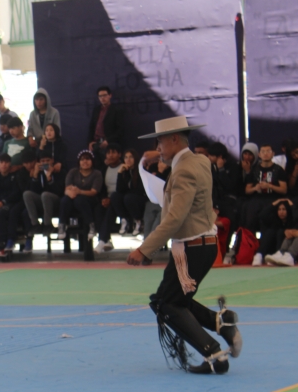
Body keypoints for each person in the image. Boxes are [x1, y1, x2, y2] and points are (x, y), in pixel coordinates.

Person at [127, 116, 242, 375]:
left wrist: (144, 249)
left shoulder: (184, 170)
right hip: (199, 245)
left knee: (167, 305)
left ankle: (214, 353)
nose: (157, 147)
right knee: (171, 299)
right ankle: (221, 323)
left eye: (160, 142)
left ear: (174, 139)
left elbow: (174, 218)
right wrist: (163, 160)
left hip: (191, 248)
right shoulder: (200, 161)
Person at [57, 150, 103, 240]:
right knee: (64, 200)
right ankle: (62, 225)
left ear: (92, 161)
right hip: (73, 197)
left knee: (80, 200)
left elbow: (94, 191)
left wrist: (79, 192)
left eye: (87, 159)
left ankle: (92, 225)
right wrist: (72, 193)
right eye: (82, 159)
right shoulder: (73, 172)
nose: (85, 161)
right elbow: (67, 189)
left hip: (90, 198)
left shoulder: (97, 173)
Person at [243, 144, 288, 231]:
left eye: (268, 151)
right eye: (263, 152)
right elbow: (247, 190)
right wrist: (255, 188)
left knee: (268, 216)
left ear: (273, 154)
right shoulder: (254, 170)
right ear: (259, 154)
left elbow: (284, 190)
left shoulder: (279, 170)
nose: (265, 154)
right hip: (257, 199)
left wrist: (270, 186)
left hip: (273, 198)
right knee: (250, 214)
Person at [23, 148, 65, 237]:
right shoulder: (39, 172)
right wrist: (35, 176)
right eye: (43, 161)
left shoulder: (58, 171)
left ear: (52, 160)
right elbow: (34, 191)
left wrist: (49, 178)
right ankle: (35, 224)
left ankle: (47, 224)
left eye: (48, 160)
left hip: (56, 201)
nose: (45, 163)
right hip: (42, 200)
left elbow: (60, 191)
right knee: (27, 194)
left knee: (45, 194)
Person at [95, 143, 124, 253]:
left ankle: (102, 240)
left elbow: (124, 187)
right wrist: (104, 199)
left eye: (113, 152)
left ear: (119, 154)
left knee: (111, 210)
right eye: (108, 153)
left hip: (120, 199)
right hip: (108, 198)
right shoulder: (104, 169)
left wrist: (111, 200)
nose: (110, 155)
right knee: (98, 209)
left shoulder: (124, 167)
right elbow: (101, 187)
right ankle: (106, 240)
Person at [253, 199, 294, 266]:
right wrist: (276, 202)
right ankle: (259, 254)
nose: (281, 212)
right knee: (270, 232)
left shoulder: (292, 220)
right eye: (279, 209)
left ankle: (279, 255)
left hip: (287, 248)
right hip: (273, 248)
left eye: (284, 209)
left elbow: (296, 216)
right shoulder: (274, 220)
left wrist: (291, 205)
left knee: (281, 232)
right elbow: (262, 215)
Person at [88, 86, 124, 155]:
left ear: (110, 95)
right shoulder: (96, 110)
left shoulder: (116, 110)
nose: (102, 98)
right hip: (96, 143)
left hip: (110, 143)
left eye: (104, 95)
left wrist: (108, 141)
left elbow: (120, 130)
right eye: (100, 96)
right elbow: (91, 127)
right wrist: (90, 142)